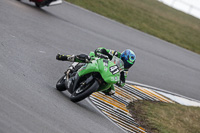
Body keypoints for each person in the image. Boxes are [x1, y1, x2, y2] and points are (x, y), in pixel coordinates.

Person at [56, 47, 136, 96]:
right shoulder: (115, 54)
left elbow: (122, 82)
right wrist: (102, 54)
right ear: (122, 56)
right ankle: (65, 57)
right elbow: (101, 49)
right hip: (100, 62)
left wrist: (119, 81)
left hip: (107, 74)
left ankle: (88, 88)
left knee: (111, 90)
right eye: (125, 61)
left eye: (128, 64)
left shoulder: (125, 70)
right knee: (87, 58)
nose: (125, 64)